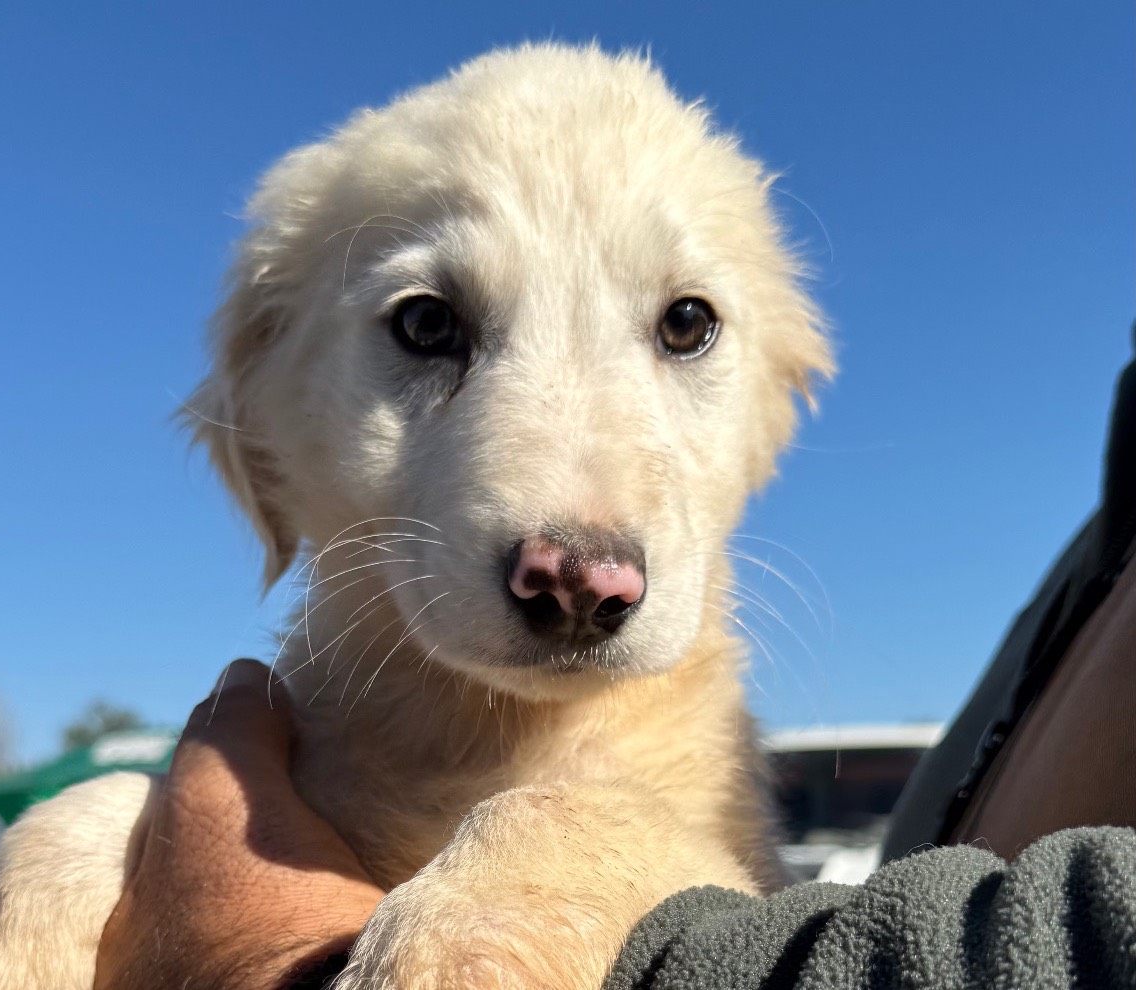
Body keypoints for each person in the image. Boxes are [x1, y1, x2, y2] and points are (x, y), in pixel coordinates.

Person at [94, 344, 1136, 990]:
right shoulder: (1100, 551)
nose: (584, 563)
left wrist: (281, 967)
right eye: (427, 325)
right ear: (262, 401)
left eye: (684, 326)